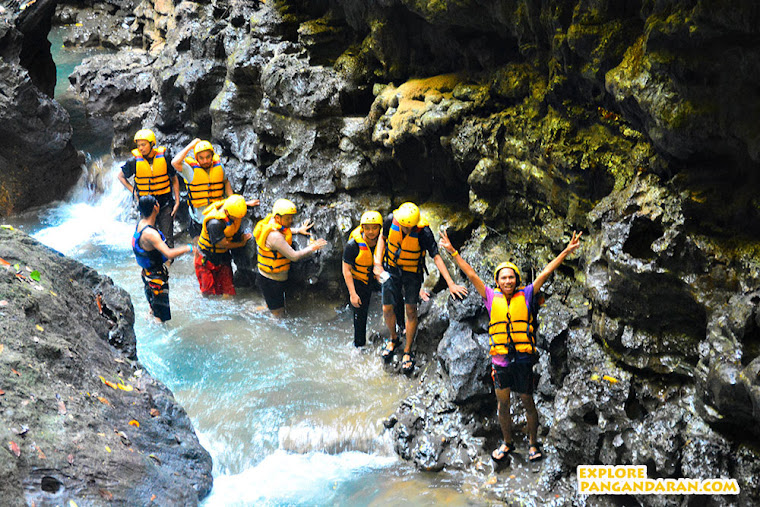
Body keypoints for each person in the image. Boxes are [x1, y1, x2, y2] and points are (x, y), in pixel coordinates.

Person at [439, 228, 582, 463]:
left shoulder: (526, 294)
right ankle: (507, 443)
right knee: (503, 404)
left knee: (527, 401)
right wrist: (453, 251)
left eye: (511, 277)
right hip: (501, 361)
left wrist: (566, 251)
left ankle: (533, 444)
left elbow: (545, 272)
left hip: (523, 360)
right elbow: (471, 274)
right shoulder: (489, 296)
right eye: (503, 278)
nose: (507, 281)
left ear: (517, 280)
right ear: (497, 281)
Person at [372, 202, 468, 373]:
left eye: (409, 228)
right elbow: (382, 238)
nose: (405, 230)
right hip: (391, 270)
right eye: (403, 226)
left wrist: (451, 283)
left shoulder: (423, 232)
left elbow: (436, 257)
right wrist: (377, 263)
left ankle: (408, 350)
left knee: (410, 310)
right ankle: (394, 339)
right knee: (387, 308)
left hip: (411, 274)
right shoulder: (390, 221)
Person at [170, 138, 260, 238]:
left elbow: (226, 183)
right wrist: (191, 145)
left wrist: (241, 202)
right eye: (201, 158)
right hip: (198, 219)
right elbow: (174, 162)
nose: (205, 161)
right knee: (200, 248)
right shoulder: (190, 171)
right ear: (196, 158)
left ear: (212, 156)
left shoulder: (219, 168)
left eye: (208, 157)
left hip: (216, 217)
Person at [253, 198, 328, 317]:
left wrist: (298, 230)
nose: (291, 220)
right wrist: (312, 247)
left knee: (272, 305)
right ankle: (274, 332)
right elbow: (294, 256)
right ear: (278, 217)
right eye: (288, 218)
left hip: (266, 276)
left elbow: (283, 230)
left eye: (291, 217)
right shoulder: (275, 237)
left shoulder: (271, 222)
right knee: (278, 313)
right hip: (272, 281)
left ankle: (261, 309)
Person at [132, 195, 193, 323]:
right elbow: (169, 253)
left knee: (154, 307)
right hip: (156, 277)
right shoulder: (150, 234)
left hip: (147, 274)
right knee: (160, 317)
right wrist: (188, 248)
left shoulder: (141, 224)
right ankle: (159, 331)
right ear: (155, 207)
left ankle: (152, 319)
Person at [119, 129, 180, 247]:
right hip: (146, 205)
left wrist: (177, 201)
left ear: (152, 144)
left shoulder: (165, 156)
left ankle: (167, 264)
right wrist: (133, 191)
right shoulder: (133, 161)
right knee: (146, 239)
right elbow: (120, 176)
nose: (141, 148)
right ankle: (149, 264)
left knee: (167, 239)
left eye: (144, 145)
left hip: (165, 203)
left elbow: (174, 178)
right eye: (138, 145)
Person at [342, 211, 384, 347]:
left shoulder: (384, 241)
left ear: (380, 228)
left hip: (377, 277)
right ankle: (359, 346)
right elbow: (346, 270)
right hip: (360, 281)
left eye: (374, 228)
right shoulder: (353, 245)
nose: (371, 232)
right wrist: (353, 294)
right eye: (367, 228)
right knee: (360, 315)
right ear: (362, 228)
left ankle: (397, 331)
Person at [196, 194, 252, 296]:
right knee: (209, 293)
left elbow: (236, 204)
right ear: (226, 212)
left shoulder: (231, 207)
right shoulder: (214, 223)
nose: (237, 220)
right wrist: (241, 243)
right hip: (206, 257)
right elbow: (224, 244)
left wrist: (247, 204)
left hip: (223, 257)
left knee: (228, 291)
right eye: (235, 218)